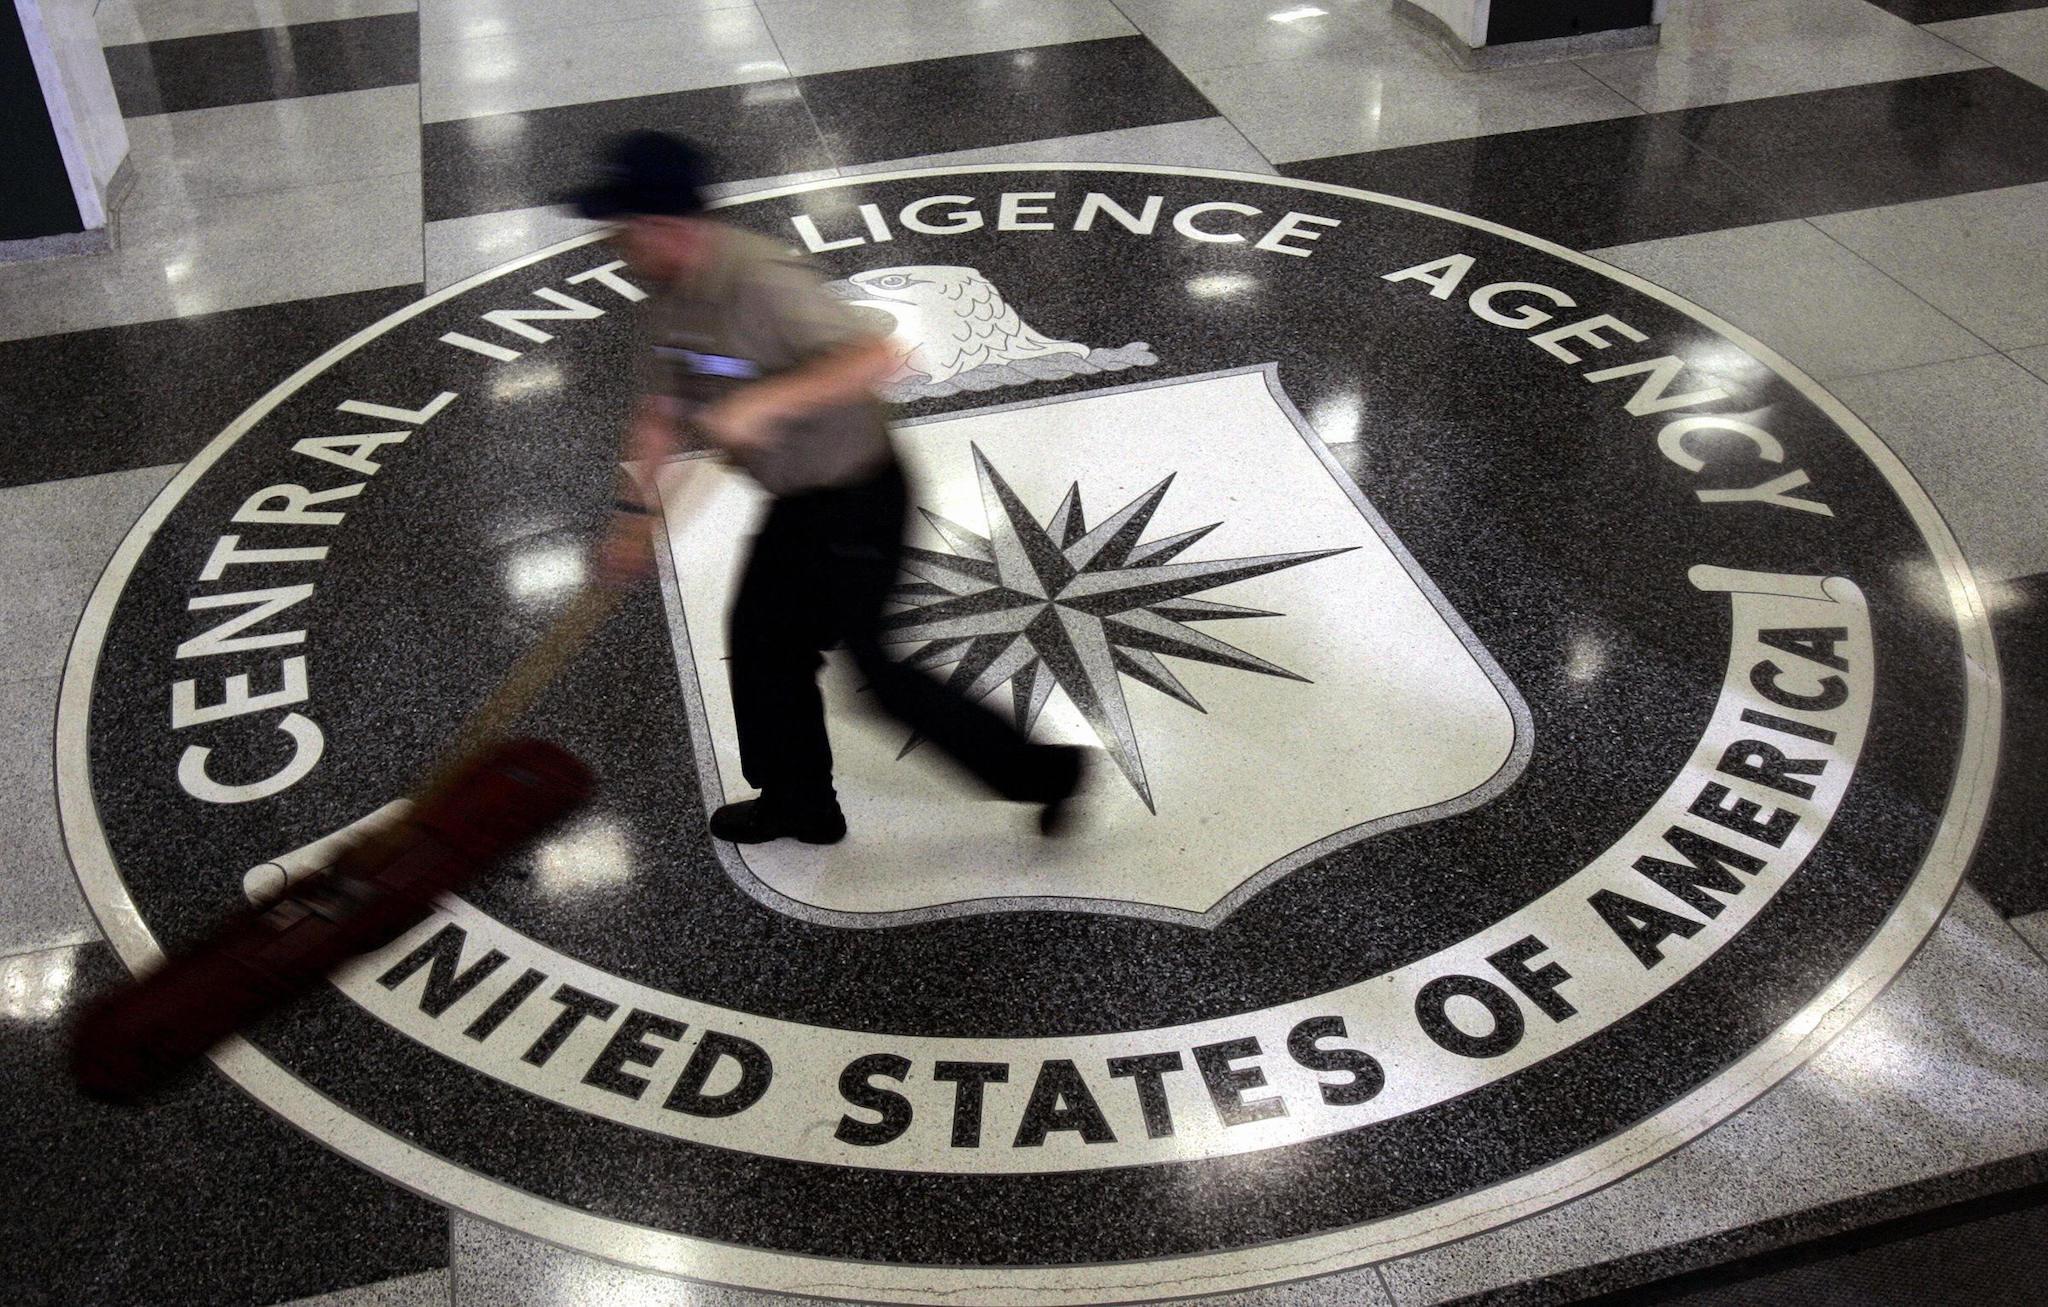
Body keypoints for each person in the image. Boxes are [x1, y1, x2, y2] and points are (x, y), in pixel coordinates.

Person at [573, 131, 1083, 845]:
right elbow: (661, 408)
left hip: (856, 495)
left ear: (662, 223)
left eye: (620, 228)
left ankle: (1048, 774)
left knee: (879, 678)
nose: (613, 244)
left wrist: (766, 402)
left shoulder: (760, 279)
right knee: (762, 645)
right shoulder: (670, 292)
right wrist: (633, 522)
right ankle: (799, 802)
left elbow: (875, 355)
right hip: (800, 502)